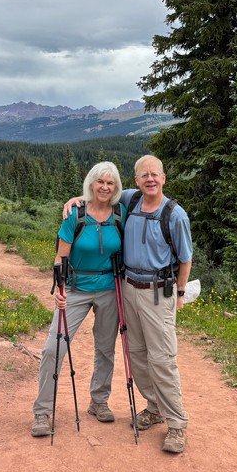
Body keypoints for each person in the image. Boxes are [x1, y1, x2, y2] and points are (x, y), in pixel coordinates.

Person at [63, 154, 193, 453]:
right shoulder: (131, 200)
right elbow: (100, 195)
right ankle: (154, 407)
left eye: (155, 174)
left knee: (162, 358)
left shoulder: (174, 214)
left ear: (163, 178)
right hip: (128, 288)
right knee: (136, 354)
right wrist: (76, 200)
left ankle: (177, 424)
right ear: (136, 180)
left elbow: (186, 258)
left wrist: (180, 294)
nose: (150, 179)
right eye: (144, 175)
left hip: (159, 292)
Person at [31, 161, 126, 437]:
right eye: (100, 182)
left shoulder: (121, 213)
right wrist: (60, 291)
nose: (105, 187)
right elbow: (60, 257)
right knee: (54, 348)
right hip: (75, 288)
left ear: (116, 186)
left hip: (110, 288)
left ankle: (99, 402)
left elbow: (147, 194)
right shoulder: (75, 214)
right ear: (91, 183)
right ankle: (42, 411)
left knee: (105, 349)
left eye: (110, 183)